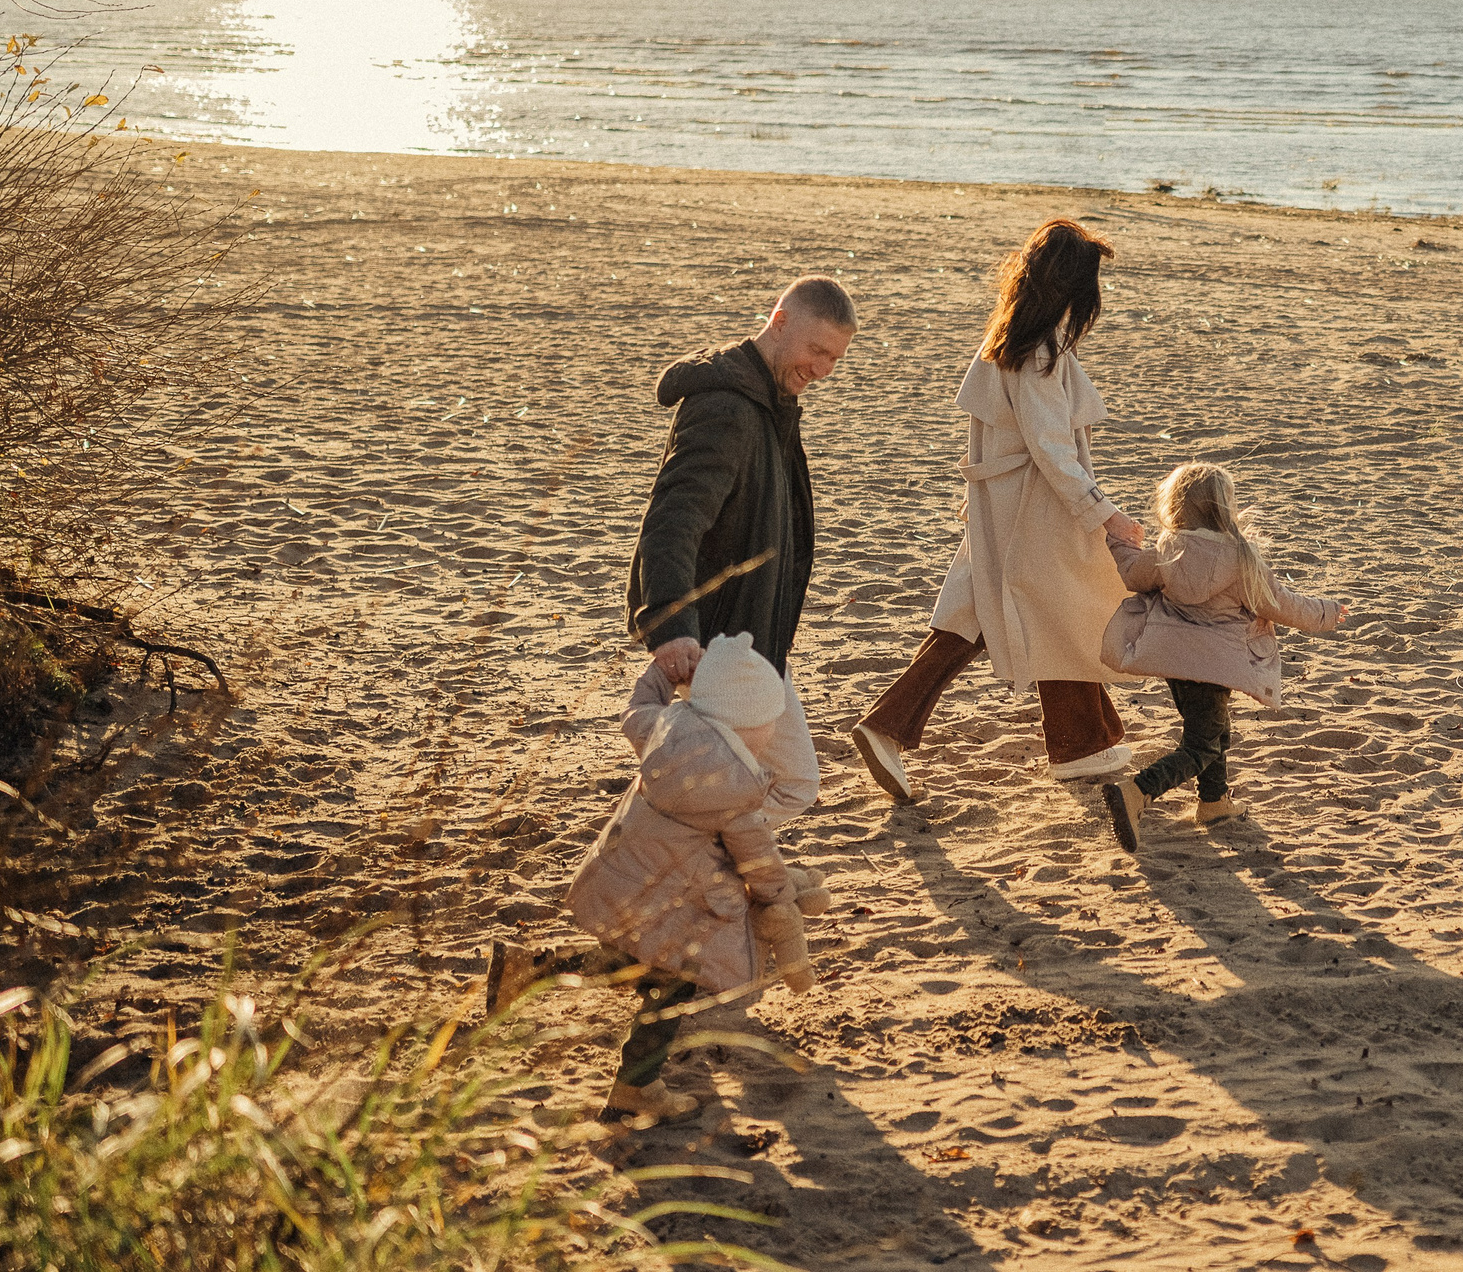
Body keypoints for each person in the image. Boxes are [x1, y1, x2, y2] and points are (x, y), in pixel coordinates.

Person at [486, 633, 831, 1125]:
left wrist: (664, 675)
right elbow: (758, 859)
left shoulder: (664, 727)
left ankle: (529, 973)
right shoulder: (736, 787)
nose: (767, 739)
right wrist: (781, 899)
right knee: (669, 983)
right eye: (765, 728)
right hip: (671, 903)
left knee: (630, 959)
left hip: (620, 875)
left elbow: (636, 707)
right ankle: (637, 1086)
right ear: (745, 724)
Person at [851, 219, 1141, 804]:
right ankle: (1079, 744)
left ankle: (895, 725)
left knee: (980, 612)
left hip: (1002, 506)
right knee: (1063, 609)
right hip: (1032, 508)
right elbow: (1052, 450)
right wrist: (1107, 514)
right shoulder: (1038, 352)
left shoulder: (1005, 339)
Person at [1097, 461, 1349, 849]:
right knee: (1202, 745)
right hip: (1216, 664)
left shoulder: (1169, 549)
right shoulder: (1242, 557)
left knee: (1213, 731)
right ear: (1224, 508)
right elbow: (1279, 604)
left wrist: (1120, 540)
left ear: (1177, 506)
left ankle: (1213, 802)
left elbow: (1133, 574)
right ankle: (1136, 792)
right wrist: (1326, 612)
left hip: (1174, 662)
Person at [626, 273, 855, 693]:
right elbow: (673, 516)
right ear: (780, 322)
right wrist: (670, 622)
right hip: (715, 647)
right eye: (817, 350)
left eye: (835, 359)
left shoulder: (772, 400)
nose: (822, 370)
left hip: (757, 646)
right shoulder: (727, 406)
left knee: (791, 763)